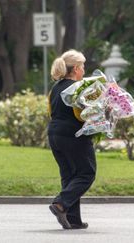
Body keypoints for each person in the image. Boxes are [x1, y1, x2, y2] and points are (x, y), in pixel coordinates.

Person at [47, 49, 96, 230]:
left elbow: (51, 111)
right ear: (75, 69)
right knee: (86, 173)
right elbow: (84, 114)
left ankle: (73, 219)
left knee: (69, 176)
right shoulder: (77, 88)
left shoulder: (55, 88)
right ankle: (60, 204)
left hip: (54, 134)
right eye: (82, 67)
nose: (84, 71)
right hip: (73, 135)